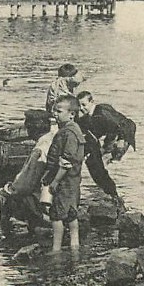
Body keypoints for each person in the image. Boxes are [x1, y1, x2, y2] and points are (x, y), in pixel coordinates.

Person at [0, 109, 57, 237]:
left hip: (42, 201)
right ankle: (7, 234)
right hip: (54, 195)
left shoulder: (39, 149)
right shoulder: (53, 139)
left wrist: (6, 190)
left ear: (31, 128)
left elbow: (25, 184)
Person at [76, 91, 136, 207]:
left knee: (104, 160)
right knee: (93, 162)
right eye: (80, 106)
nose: (82, 108)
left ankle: (114, 196)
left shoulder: (102, 112)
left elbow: (123, 124)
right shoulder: (88, 117)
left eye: (84, 105)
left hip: (123, 132)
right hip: (110, 135)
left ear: (92, 102)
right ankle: (107, 192)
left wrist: (122, 140)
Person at [42, 94, 86, 252]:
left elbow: (66, 162)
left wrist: (55, 181)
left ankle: (56, 248)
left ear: (72, 114)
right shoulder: (74, 130)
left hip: (64, 180)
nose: (55, 114)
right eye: (54, 110)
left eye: (59, 111)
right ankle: (75, 244)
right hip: (73, 181)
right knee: (71, 214)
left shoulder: (68, 133)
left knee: (56, 215)